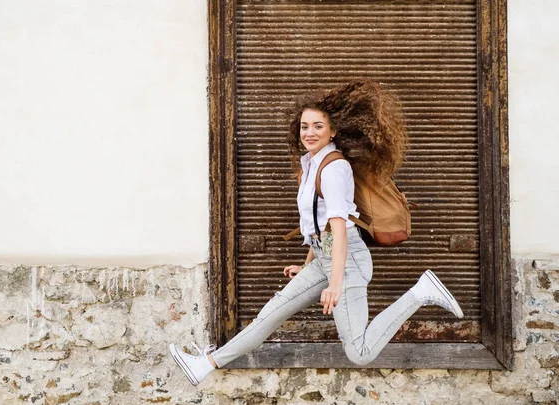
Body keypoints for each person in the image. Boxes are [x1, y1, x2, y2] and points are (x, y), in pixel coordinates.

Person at [169, 80, 464, 386]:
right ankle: (204, 364)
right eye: (304, 126)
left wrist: (335, 283)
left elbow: (339, 226)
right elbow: (318, 227)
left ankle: (420, 292)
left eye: (318, 126)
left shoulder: (335, 168)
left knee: (359, 352)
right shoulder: (311, 164)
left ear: (333, 130)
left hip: (347, 264)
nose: (309, 133)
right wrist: (308, 267)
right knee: (268, 316)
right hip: (326, 259)